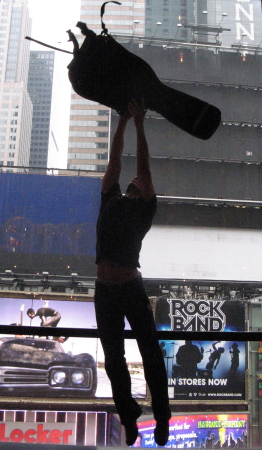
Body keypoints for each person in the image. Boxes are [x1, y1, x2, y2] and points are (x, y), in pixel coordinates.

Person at [95, 99, 171, 446]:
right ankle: (130, 417)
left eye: (141, 182)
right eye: (135, 182)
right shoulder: (110, 196)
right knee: (114, 359)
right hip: (104, 288)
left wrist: (140, 125)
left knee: (150, 353)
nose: (135, 181)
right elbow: (116, 160)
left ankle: (162, 418)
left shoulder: (145, 208)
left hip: (129, 286)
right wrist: (123, 123)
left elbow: (142, 164)